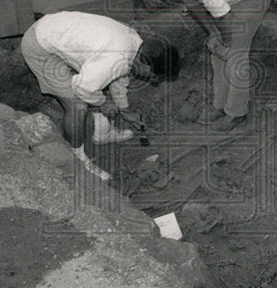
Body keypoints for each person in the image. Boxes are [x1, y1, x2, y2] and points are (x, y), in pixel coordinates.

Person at [20, 11, 180, 180]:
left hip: (54, 32)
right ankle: (77, 158)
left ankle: (102, 134)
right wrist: (103, 102)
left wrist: (125, 111)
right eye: (153, 77)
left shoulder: (134, 46)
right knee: (78, 105)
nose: (150, 80)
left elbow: (119, 79)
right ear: (146, 67)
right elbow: (83, 88)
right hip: (40, 46)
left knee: (97, 83)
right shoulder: (115, 58)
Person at [148, 0, 271, 132]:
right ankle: (219, 105)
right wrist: (213, 34)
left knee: (235, 55)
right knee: (217, 52)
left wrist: (226, 44)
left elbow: (225, 18)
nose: (173, 4)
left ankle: (237, 113)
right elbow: (190, 2)